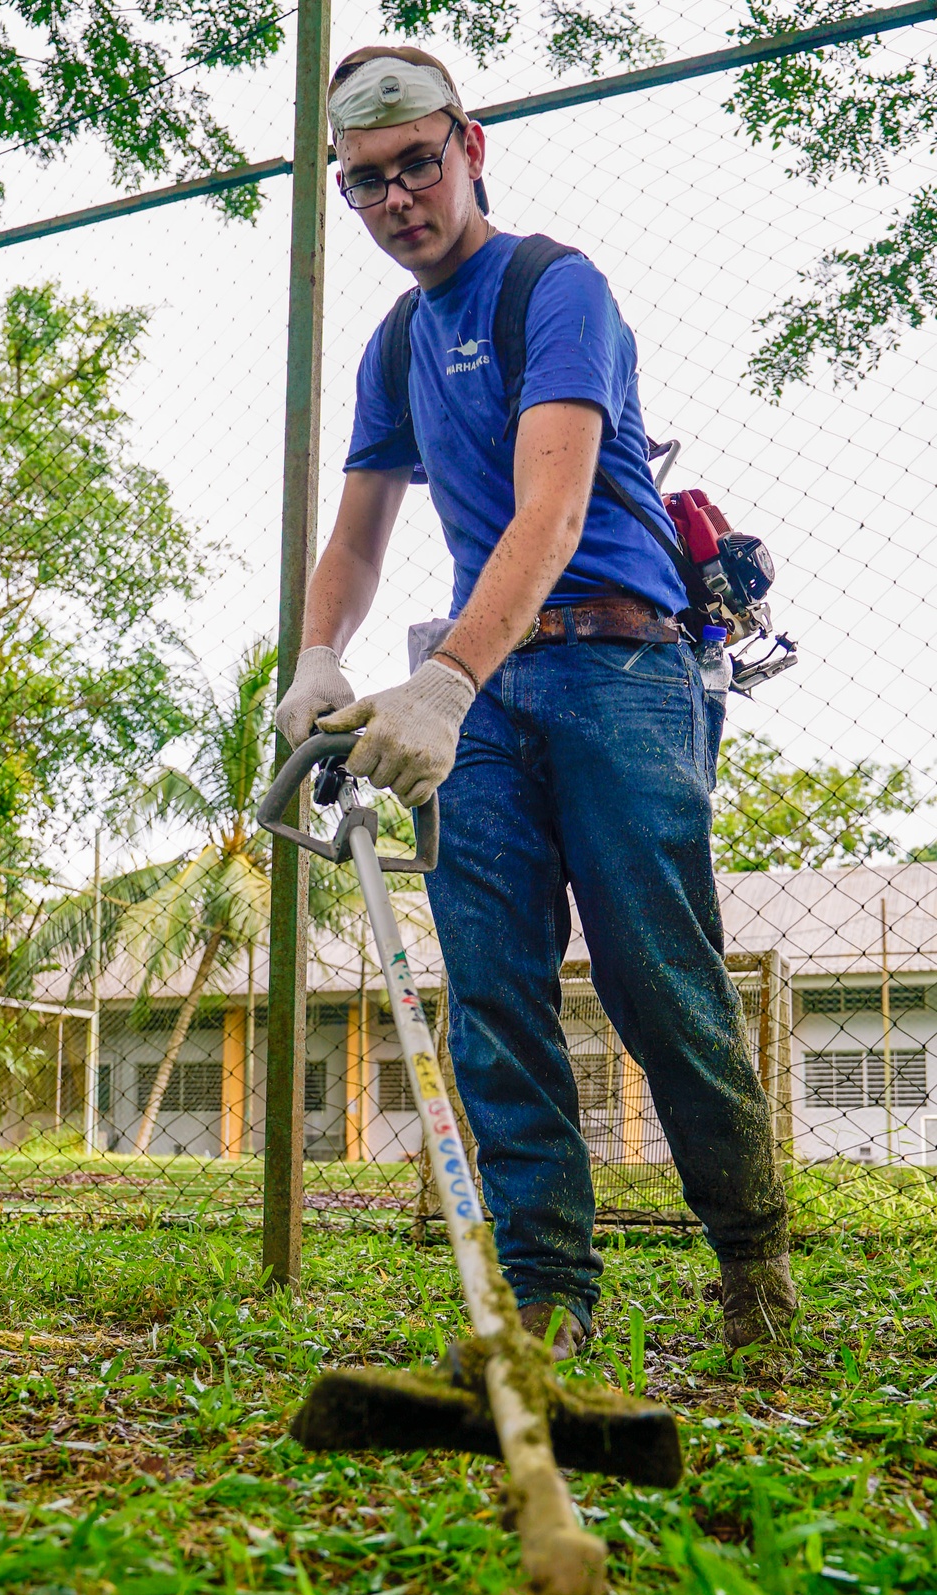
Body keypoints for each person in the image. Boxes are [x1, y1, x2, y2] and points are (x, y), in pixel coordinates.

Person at [277, 44, 796, 1359]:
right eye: (366, 184)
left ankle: (754, 1265)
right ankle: (550, 1300)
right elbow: (356, 538)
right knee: (497, 994)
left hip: (619, 666)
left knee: (658, 982)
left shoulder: (554, 290)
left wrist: (445, 679)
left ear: (472, 147)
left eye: (417, 166)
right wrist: (320, 654)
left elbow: (554, 507)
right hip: (486, 691)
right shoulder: (394, 346)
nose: (397, 200)